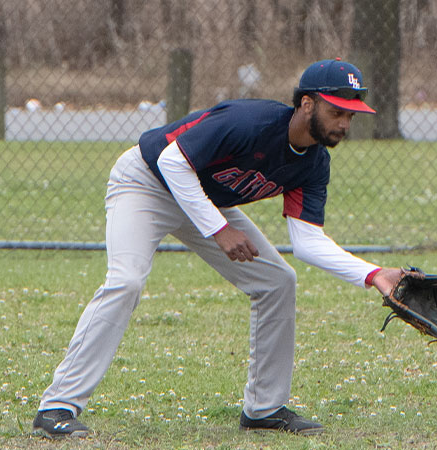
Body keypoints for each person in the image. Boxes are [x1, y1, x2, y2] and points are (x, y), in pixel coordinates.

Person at [32, 59, 408, 439]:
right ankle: (57, 407)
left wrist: (374, 274)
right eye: (337, 111)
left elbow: (308, 242)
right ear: (307, 104)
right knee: (126, 281)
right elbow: (172, 162)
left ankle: (264, 408)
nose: (344, 124)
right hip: (146, 182)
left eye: (351, 115)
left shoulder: (313, 164)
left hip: (202, 201)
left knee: (278, 281)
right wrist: (219, 229)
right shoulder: (250, 122)